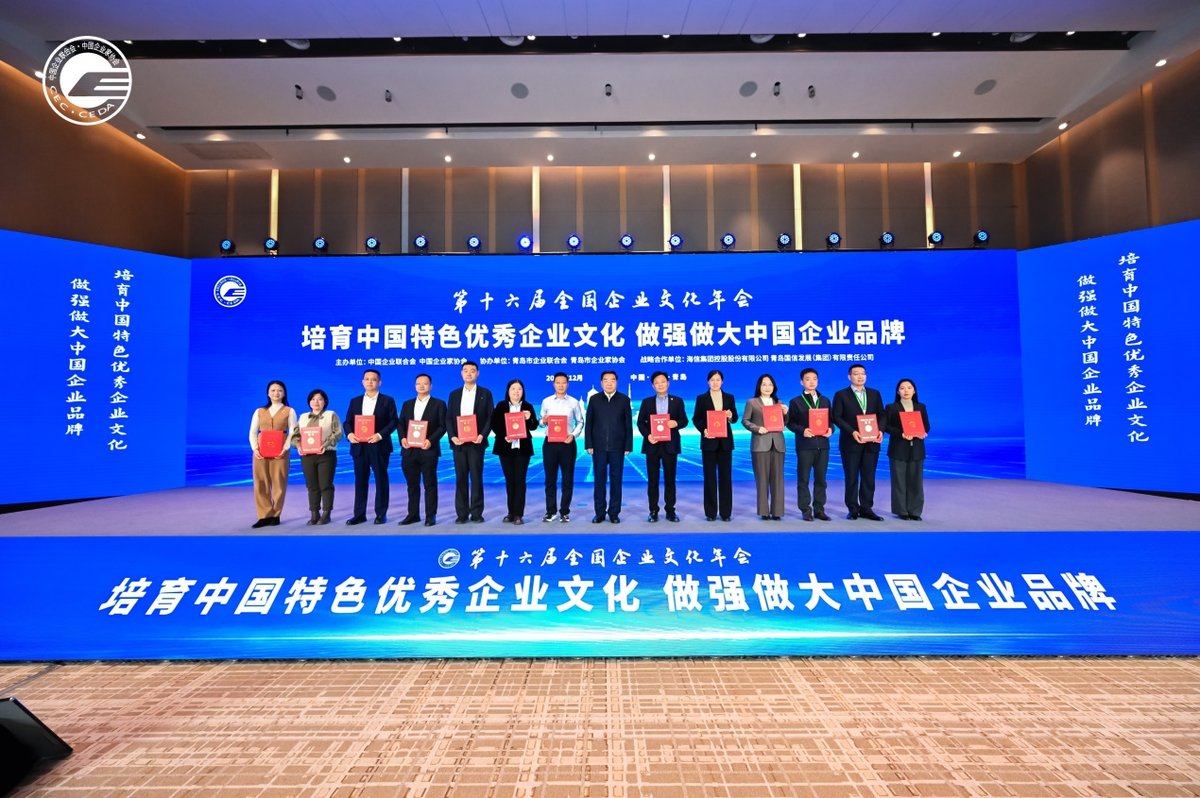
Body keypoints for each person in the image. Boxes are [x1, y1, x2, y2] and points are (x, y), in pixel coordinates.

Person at [832, 362, 886, 521]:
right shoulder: (841, 394)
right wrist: (852, 432)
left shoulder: (875, 393)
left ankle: (867, 508)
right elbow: (836, 417)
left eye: (863, 373)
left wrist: (881, 431)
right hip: (851, 442)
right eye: (856, 374)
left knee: (869, 477)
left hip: (872, 442)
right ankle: (853, 509)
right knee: (851, 477)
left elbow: (882, 415)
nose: (860, 376)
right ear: (849, 377)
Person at [345, 368, 398, 525]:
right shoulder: (355, 401)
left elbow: (394, 421)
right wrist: (350, 434)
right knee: (360, 480)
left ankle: (381, 514)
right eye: (367, 379)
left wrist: (380, 435)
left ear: (379, 383)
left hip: (379, 445)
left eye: (373, 379)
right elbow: (348, 422)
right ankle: (359, 514)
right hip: (359, 446)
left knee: (381, 479)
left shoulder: (387, 400)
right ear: (362, 382)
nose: (370, 382)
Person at [636, 371, 689, 522]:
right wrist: (648, 435)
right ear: (653, 386)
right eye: (657, 383)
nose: (660, 385)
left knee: (670, 479)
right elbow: (640, 423)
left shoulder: (677, 401)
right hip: (652, 445)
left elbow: (684, 421)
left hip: (670, 445)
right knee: (653, 480)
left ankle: (670, 510)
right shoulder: (647, 402)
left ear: (668, 383)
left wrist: (675, 423)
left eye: (663, 382)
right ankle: (653, 510)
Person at [448, 360, 494, 524]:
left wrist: (482, 435)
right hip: (459, 444)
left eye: (472, 371)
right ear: (461, 373)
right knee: (460, 478)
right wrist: (452, 436)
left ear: (477, 373)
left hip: (476, 443)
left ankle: (476, 513)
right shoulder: (454, 394)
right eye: (466, 370)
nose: (469, 373)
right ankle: (461, 514)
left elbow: (490, 417)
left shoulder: (485, 393)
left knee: (476, 477)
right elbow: (448, 418)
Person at [397, 373, 446, 527]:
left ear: (431, 386)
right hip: (409, 450)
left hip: (428, 450)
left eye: (425, 383)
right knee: (412, 485)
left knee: (430, 484)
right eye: (418, 383)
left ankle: (430, 516)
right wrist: (402, 438)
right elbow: (401, 424)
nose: (421, 386)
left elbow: (442, 426)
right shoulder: (407, 404)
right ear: (415, 386)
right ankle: (413, 514)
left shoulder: (439, 404)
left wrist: (430, 440)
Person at [585, 369, 633, 523]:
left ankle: (614, 513)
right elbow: (589, 423)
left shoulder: (624, 400)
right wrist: (589, 444)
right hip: (598, 447)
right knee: (599, 481)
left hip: (617, 447)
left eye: (612, 380)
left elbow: (628, 425)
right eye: (606, 380)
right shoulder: (594, 399)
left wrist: (628, 445)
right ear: (601, 383)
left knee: (616, 481)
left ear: (616, 382)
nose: (609, 383)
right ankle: (599, 513)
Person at [786, 368, 833, 522]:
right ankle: (806, 510)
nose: (811, 382)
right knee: (803, 479)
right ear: (802, 382)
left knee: (821, 479)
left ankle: (819, 509)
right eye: (807, 379)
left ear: (817, 381)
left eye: (814, 379)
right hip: (805, 445)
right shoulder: (795, 401)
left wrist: (831, 430)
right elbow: (790, 423)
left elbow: (831, 421)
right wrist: (802, 430)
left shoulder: (825, 400)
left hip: (823, 445)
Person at [249, 380, 298, 528]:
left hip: (281, 451)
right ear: (268, 393)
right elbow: (253, 432)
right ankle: (264, 516)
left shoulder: (289, 411)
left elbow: (293, 432)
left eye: (280, 390)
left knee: (279, 483)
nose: (276, 393)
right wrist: (255, 448)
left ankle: (276, 514)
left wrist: (285, 448)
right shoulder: (259, 411)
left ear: (284, 393)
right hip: (261, 452)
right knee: (260, 483)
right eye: (273, 390)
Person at [491, 378, 539, 525]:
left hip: (522, 449)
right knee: (510, 480)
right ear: (508, 391)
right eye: (513, 389)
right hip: (505, 448)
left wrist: (529, 418)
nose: (516, 392)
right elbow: (494, 424)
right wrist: (504, 436)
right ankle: (510, 512)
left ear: (523, 391)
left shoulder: (528, 406)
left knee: (520, 480)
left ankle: (518, 514)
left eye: (519, 389)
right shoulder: (501, 405)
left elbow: (533, 426)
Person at [538, 372, 585, 523]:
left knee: (567, 479)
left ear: (567, 384)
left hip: (567, 443)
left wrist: (573, 435)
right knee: (550, 479)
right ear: (554, 384)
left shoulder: (574, 402)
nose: (560, 385)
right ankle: (550, 511)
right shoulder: (546, 401)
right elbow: (540, 422)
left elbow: (580, 421)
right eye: (558, 382)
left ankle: (564, 511)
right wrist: (543, 421)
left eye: (563, 382)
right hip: (550, 443)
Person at [692, 369, 738, 522]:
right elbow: (696, 419)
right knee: (709, 478)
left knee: (726, 478)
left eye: (718, 380)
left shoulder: (729, 397)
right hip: (709, 442)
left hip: (725, 443)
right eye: (712, 380)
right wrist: (703, 430)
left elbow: (735, 419)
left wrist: (730, 416)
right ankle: (710, 513)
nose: (715, 382)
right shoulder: (701, 398)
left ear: (722, 381)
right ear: (708, 382)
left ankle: (726, 513)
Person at [293, 388, 342, 526]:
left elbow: (338, 433)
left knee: (325, 484)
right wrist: (298, 446)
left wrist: (325, 445)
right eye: (313, 399)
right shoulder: (303, 417)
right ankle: (314, 513)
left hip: (326, 454)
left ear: (325, 401)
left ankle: (326, 513)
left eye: (320, 399)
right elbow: (295, 435)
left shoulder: (331, 414)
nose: (316, 402)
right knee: (312, 485)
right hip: (307, 455)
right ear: (309, 402)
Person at [742, 374, 787, 520]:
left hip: (778, 444)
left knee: (778, 479)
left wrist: (786, 413)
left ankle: (777, 512)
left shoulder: (779, 402)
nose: (767, 387)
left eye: (770, 384)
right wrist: (757, 428)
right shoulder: (752, 402)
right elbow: (745, 420)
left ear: (774, 387)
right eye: (764, 384)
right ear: (759, 387)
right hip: (760, 444)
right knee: (762, 479)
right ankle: (764, 511)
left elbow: (784, 423)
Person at [885, 378, 931, 521]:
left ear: (914, 391)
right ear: (898, 391)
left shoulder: (921, 407)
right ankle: (902, 511)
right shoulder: (891, 407)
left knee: (916, 481)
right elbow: (886, 426)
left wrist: (923, 432)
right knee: (899, 481)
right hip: (898, 448)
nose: (906, 391)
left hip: (917, 448)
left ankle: (915, 511)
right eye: (902, 388)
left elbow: (926, 425)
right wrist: (901, 434)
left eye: (909, 388)